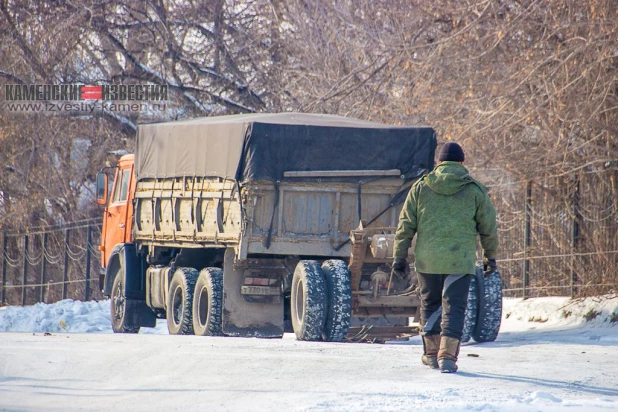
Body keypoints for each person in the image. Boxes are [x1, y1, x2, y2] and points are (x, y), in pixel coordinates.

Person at [392, 142, 498, 373]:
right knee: (454, 307)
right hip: (459, 261)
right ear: (462, 162)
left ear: (439, 163)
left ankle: (431, 353)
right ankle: (447, 357)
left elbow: (405, 225)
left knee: (429, 304)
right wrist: (491, 257)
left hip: (427, 260)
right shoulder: (475, 190)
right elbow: (488, 227)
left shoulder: (421, 187)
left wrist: (398, 257)